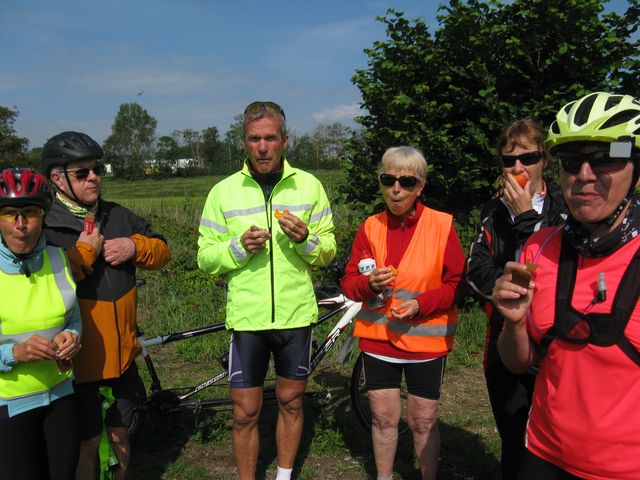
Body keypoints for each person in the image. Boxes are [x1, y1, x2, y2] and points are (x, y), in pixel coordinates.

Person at [492, 92, 640, 480]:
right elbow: (517, 361)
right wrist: (514, 323)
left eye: (605, 159)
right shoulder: (539, 248)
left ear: (636, 168)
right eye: (573, 163)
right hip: (543, 455)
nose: (586, 176)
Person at [197, 101, 336, 480]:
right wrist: (239, 248)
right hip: (247, 318)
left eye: (270, 138)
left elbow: (328, 251)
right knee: (245, 412)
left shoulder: (309, 186)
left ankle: (284, 475)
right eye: (254, 138)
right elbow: (205, 258)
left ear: (284, 141)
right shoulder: (223, 192)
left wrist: (307, 240)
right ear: (243, 141)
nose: (262, 146)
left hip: (295, 316)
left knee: (291, 402)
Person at [41, 131, 171, 479]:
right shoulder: (47, 227)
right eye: (82, 173)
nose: (94, 177)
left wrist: (133, 247)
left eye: (96, 169)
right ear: (58, 179)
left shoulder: (117, 215)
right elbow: (42, 286)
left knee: (121, 436)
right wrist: (84, 255)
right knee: (86, 444)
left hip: (123, 355)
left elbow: (162, 251)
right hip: (78, 362)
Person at [341, 146, 465, 480]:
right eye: (388, 179)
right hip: (378, 340)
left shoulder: (441, 225)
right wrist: (369, 285)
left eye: (407, 181)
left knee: (422, 421)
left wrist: (421, 304)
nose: (396, 189)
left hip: (426, 343)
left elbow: (456, 285)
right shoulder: (370, 227)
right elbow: (350, 284)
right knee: (383, 418)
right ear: (381, 182)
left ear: (420, 186)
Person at [466, 119, 567, 479]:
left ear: (545, 161)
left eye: (529, 157)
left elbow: (561, 265)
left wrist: (527, 218)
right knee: (513, 440)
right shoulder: (493, 211)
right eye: (509, 161)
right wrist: (499, 285)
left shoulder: (565, 205)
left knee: (556, 446)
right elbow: (475, 268)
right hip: (505, 342)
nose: (518, 168)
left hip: (557, 346)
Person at [0, 168, 82, 479]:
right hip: (8, 405)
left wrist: (73, 336)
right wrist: (12, 354)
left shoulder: (58, 258)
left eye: (30, 214)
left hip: (60, 395)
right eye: (10, 214)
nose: (21, 225)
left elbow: (73, 317)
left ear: (43, 216)